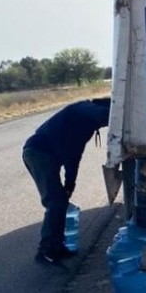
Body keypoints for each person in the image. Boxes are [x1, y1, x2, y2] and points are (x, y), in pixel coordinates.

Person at [22, 97, 110, 266]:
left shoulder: (86, 127)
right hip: (38, 152)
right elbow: (104, 114)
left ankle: (57, 246)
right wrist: (121, 115)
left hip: (46, 155)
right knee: (55, 202)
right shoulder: (83, 108)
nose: (104, 126)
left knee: (60, 201)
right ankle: (46, 251)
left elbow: (74, 157)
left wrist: (70, 185)